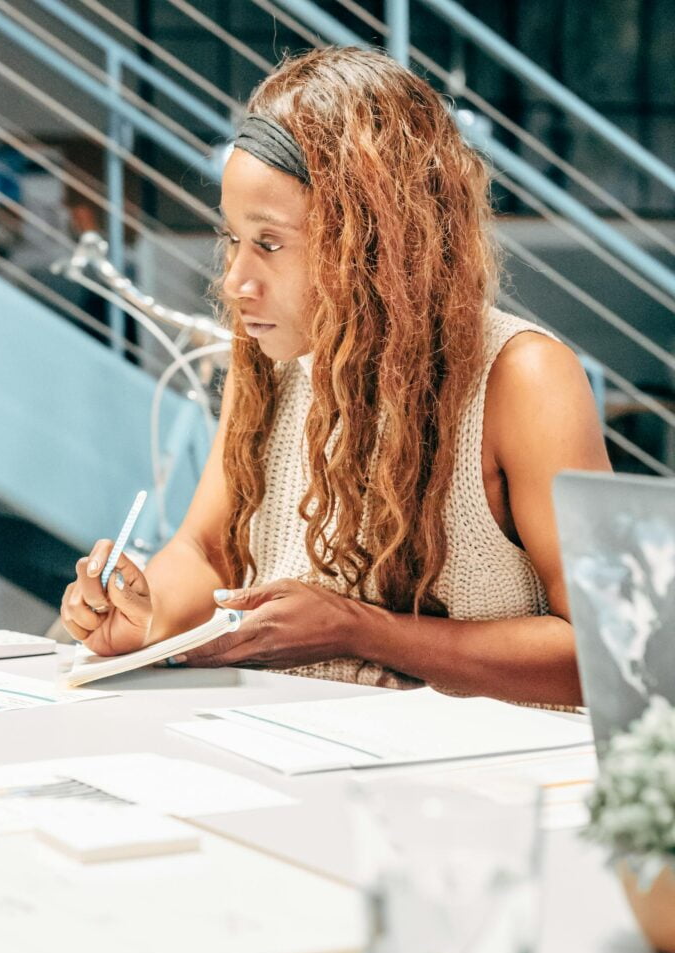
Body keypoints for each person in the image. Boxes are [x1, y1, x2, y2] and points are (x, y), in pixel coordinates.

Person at [60, 47, 610, 708]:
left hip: (478, 785)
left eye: (268, 243)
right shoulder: (269, 361)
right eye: (232, 238)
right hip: (299, 755)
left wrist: (362, 632)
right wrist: (146, 611)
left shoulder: (522, 378)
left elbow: (603, 652)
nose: (235, 282)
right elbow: (206, 552)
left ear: (375, 243)